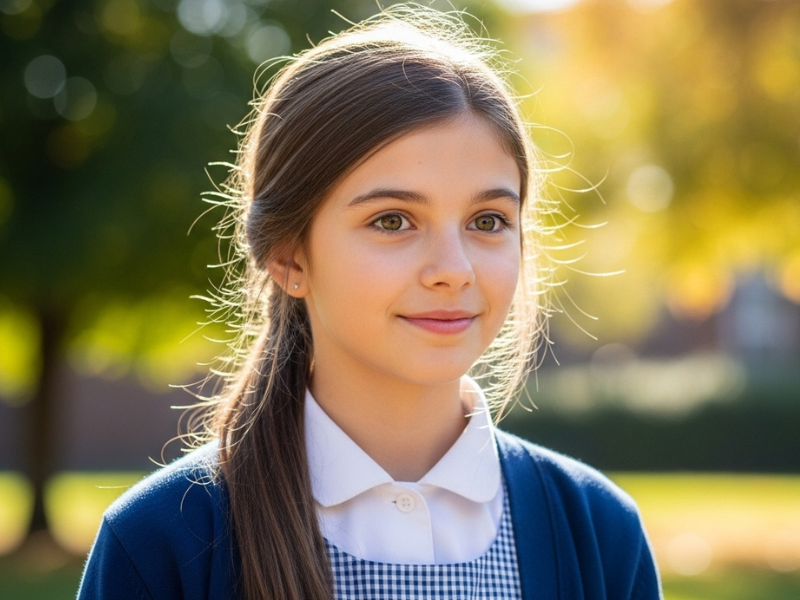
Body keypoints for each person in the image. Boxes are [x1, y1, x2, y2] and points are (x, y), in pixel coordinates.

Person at [77, 5, 662, 599]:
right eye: (392, 220)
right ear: (289, 256)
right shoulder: (161, 543)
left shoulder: (600, 535)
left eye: (488, 220)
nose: (453, 271)